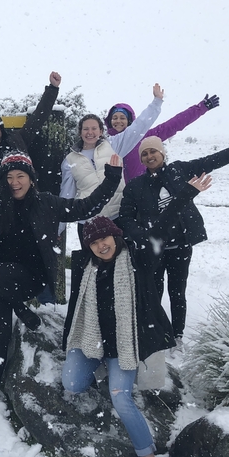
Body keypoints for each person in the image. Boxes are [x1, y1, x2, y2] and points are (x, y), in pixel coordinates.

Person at [0, 130, 124, 414]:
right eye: (9, 177)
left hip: (30, 277)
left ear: (31, 178)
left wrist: (112, 178)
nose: (14, 183)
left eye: (20, 176)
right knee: (0, 334)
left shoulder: (48, 203)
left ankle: (20, 306)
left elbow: (87, 206)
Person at [62, 174, 208, 457]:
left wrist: (186, 194)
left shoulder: (137, 258)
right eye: (94, 241)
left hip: (123, 346)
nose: (101, 245)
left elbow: (159, 222)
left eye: (106, 239)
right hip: (92, 338)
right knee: (71, 383)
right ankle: (96, 366)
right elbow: (76, 307)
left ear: (116, 237)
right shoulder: (85, 265)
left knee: (120, 397)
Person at [118, 135, 229, 340]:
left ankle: (177, 334)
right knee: (154, 292)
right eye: (144, 154)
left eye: (153, 151)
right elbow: (126, 218)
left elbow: (214, 160)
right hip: (153, 249)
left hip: (181, 245)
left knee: (177, 292)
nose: (149, 156)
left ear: (162, 153)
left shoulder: (179, 170)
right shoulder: (135, 186)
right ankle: (158, 333)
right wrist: (141, 236)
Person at [59, 84, 165, 309]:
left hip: (117, 218)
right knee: (93, 270)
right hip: (88, 223)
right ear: (80, 132)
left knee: (123, 268)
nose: (90, 132)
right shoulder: (70, 160)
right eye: (85, 129)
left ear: (101, 130)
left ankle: (124, 312)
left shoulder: (115, 144)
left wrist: (156, 103)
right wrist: (57, 229)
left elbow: (139, 127)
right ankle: (95, 313)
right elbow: (66, 196)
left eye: (94, 128)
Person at [0, 71, 62, 188]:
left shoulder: (16, 141)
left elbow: (38, 118)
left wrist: (53, 88)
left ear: (1, 128)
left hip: (21, 204)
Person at [105, 94, 221, 182]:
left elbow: (174, 124)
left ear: (129, 120)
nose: (118, 121)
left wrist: (200, 108)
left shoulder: (145, 138)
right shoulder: (104, 145)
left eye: (122, 118)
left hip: (140, 194)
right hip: (112, 200)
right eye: (114, 118)